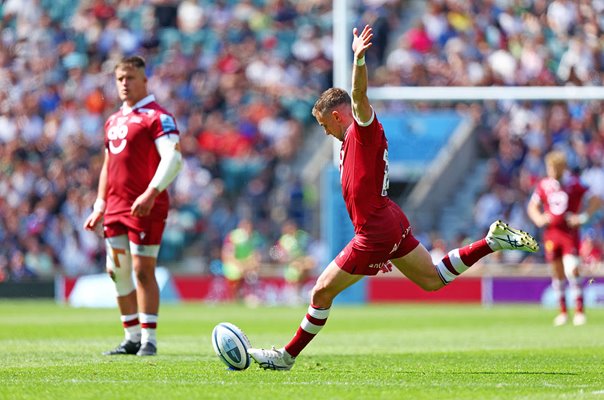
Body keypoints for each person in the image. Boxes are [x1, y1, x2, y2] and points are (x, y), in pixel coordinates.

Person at [246, 25, 539, 371]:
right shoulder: (349, 141)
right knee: (432, 280)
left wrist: (358, 59)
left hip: (374, 229)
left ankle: (286, 357)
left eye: (326, 125)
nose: (325, 132)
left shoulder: (361, 129)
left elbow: (357, 96)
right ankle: (491, 242)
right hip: (389, 217)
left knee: (321, 293)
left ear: (338, 116)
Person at [83, 56, 183, 356]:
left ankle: (149, 339)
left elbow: (174, 159)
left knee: (142, 269)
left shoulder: (158, 117)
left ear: (144, 80)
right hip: (114, 206)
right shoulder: (113, 120)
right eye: (119, 79)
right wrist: (100, 204)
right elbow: (108, 166)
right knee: (117, 270)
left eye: (130, 78)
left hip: (145, 206)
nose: (124, 84)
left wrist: (151, 192)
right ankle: (131, 337)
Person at [527, 151, 601, 327]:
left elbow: (596, 200)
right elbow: (532, 206)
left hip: (569, 234)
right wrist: (538, 218)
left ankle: (579, 311)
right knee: (557, 272)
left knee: (572, 270)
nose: (550, 170)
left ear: (561, 167)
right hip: (551, 233)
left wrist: (582, 217)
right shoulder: (544, 185)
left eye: (553, 167)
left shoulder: (575, 183)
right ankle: (562, 312)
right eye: (549, 167)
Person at [271, 219, 316, 304]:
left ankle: (299, 293)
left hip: (300, 261)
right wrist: (292, 260)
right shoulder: (283, 240)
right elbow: (279, 256)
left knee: (308, 265)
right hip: (290, 264)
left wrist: (303, 260)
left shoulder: (301, 236)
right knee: (298, 269)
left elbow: (306, 251)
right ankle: (294, 294)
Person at [221, 218, 263, 304]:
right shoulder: (234, 236)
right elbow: (227, 254)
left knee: (252, 272)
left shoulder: (252, 238)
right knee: (236, 274)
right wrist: (240, 265)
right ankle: (234, 299)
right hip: (233, 265)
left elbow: (254, 255)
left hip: (244, 265)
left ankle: (247, 297)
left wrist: (251, 263)